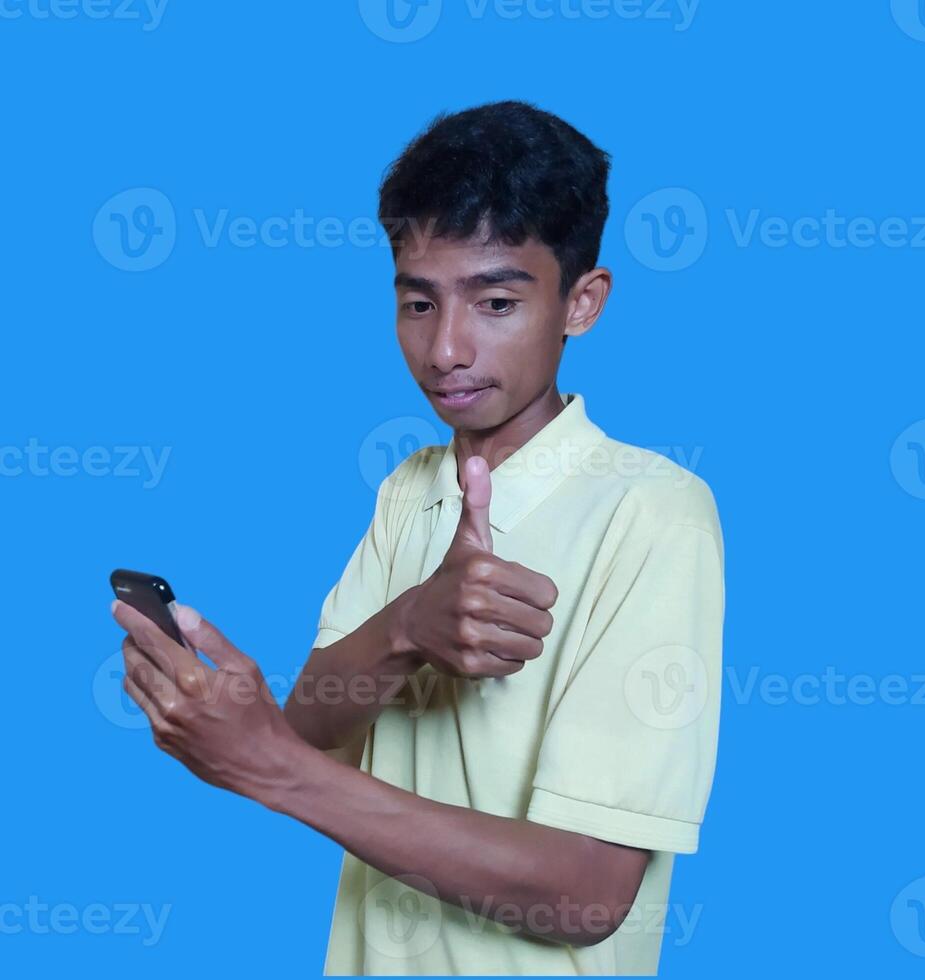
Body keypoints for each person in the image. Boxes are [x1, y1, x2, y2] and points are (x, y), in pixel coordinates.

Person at [111, 99, 725, 976]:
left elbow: (589, 892)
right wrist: (406, 627)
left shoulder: (653, 511)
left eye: (498, 301)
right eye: (417, 302)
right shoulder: (411, 487)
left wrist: (270, 769)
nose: (446, 348)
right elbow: (315, 723)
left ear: (581, 303)